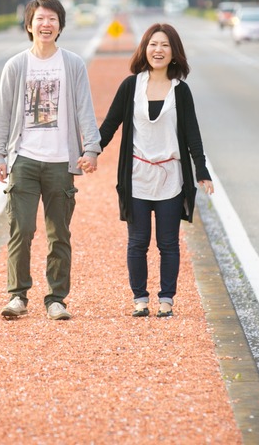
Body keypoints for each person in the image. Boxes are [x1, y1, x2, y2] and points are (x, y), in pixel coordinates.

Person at [0, 0, 100, 321]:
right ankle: (17, 296)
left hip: (61, 161)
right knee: (21, 229)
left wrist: (91, 149)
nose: (46, 24)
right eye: (40, 19)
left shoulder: (73, 64)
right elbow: (3, 114)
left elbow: (85, 108)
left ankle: (56, 299)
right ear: (29, 25)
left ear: (60, 25)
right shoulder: (16, 66)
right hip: (24, 159)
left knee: (59, 234)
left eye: (52, 19)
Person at [97, 23, 213, 318]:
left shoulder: (180, 91)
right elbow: (110, 126)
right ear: (144, 49)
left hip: (171, 177)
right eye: (153, 44)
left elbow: (193, 134)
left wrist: (201, 171)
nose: (158, 50)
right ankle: (140, 299)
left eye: (164, 45)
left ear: (174, 52)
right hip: (137, 176)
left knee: (168, 243)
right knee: (138, 242)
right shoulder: (130, 86)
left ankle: (166, 300)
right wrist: (89, 152)